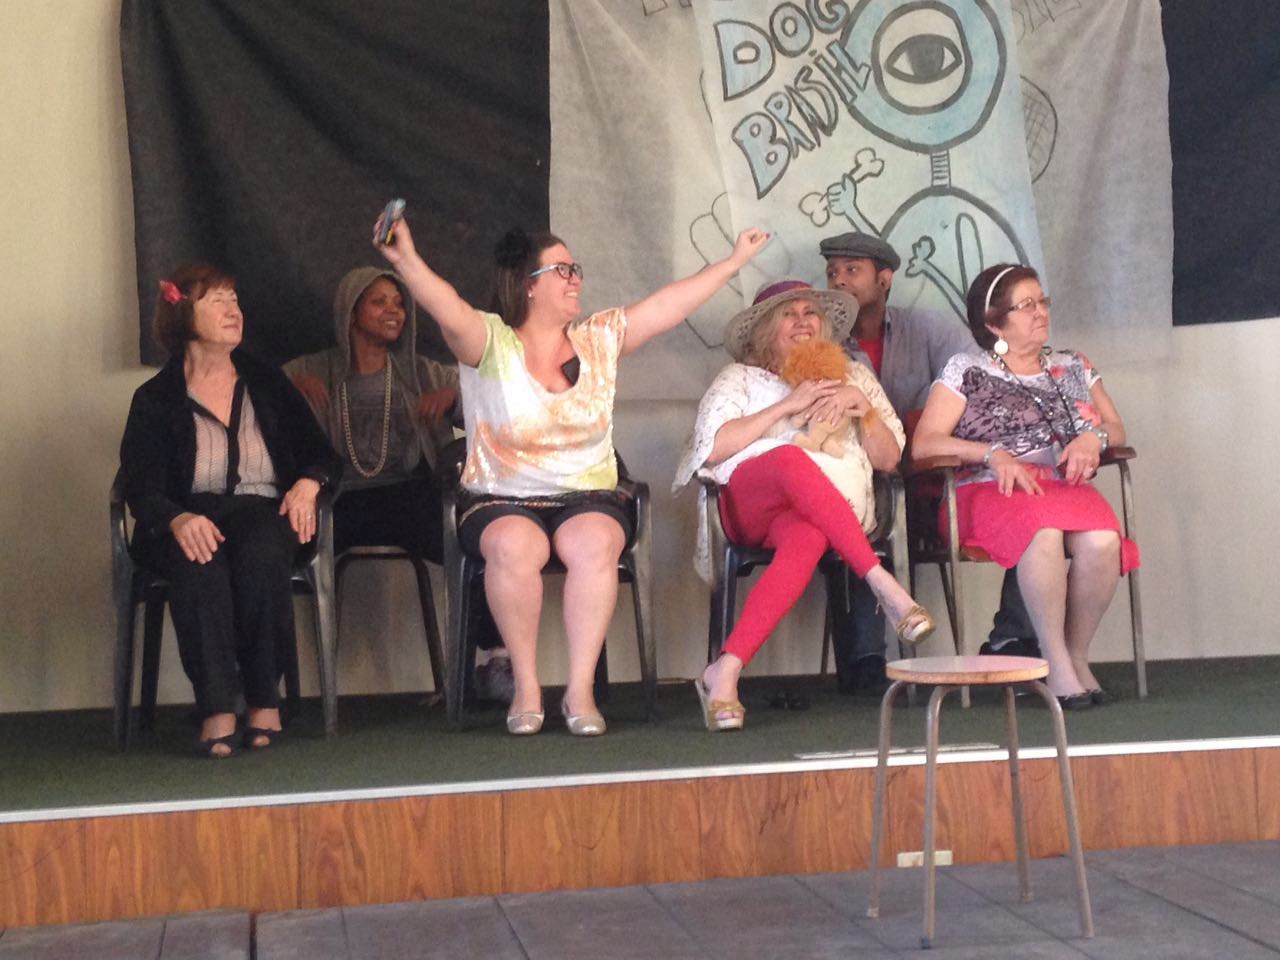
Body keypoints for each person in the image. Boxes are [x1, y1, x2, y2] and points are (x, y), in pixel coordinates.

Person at [375, 211, 769, 736]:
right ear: (528, 285)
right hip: (501, 496)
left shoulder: (597, 339)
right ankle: (526, 687)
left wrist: (733, 261)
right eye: (562, 269)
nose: (575, 278)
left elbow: (667, 306)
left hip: (588, 495)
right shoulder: (489, 341)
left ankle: (579, 691)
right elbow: (444, 304)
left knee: (594, 545)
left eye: (575, 268)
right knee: (515, 546)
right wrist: (405, 258)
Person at [673, 280, 934, 731]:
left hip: (817, 516)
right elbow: (713, 447)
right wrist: (787, 406)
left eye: (810, 313)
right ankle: (882, 584)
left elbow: (889, 460)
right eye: (788, 315)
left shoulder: (853, 375)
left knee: (808, 537)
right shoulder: (739, 377)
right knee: (791, 457)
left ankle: (725, 670)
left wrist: (864, 409)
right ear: (764, 331)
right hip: (748, 503)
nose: (803, 322)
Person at [119, 263, 342, 757]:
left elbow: (323, 455)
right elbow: (140, 485)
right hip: (187, 516)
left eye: (234, 300)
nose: (232, 309)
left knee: (261, 552)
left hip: (262, 509)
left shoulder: (268, 382)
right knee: (198, 562)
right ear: (182, 314)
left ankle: (263, 699)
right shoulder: (155, 398)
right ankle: (217, 706)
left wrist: (308, 484)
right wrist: (177, 518)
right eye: (216, 300)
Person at [910, 263, 1139, 708]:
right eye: (1026, 305)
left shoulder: (1073, 365)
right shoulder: (968, 369)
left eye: (1042, 301)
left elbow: (1116, 427)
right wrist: (991, 453)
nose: (1041, 312)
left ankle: (1076, 654)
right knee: (1042, 531)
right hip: (987, 488)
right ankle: (1053, 662)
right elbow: (925, 443)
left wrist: (1093, 438)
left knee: (1103, 541)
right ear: (995, 323)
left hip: (1060, 487)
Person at [284, 267, 512, 704]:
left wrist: (457, 399)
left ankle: (496, 660)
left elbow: (495, 413)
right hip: (336, 499)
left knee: (476, 538)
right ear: (351, 313)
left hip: (407, 494)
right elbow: (259, 399)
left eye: (399, 303)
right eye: (379, 302)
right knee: (271, 548)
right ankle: (258, 686)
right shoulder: (311, 369)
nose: (394, 311)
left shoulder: (425, 373)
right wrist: (289, 389)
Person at [818, 231, 982, 694]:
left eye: (852, 270)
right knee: (857, 503)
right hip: (857, 475)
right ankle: (867, 659)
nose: (839, 280)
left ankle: (1010, 645)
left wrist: (922, 421)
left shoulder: (925, 327)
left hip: (924, 480)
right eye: (832, 272)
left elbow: (978, 379)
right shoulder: (824, 341)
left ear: (885, 279)